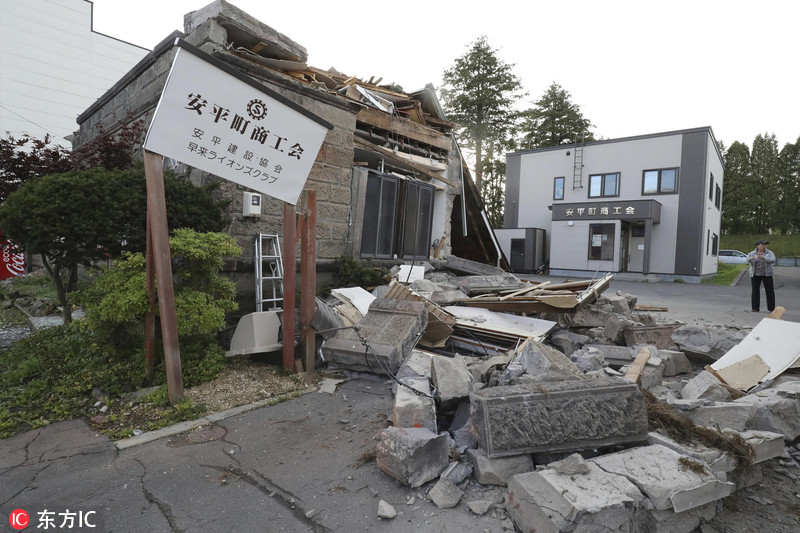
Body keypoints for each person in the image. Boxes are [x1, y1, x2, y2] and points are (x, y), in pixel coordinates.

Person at [747, 239, 776, 312]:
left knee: (770, 291)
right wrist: (751, 259)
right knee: (755, 291)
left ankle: (771, 308)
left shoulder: (769, 253)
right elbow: (745, 261)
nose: (764, 246)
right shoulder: (752, 253)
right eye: (762, 244)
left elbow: (773, 260)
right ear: (757, 246)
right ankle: (755, 307)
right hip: (755, 274)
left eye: (765, 244)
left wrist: (764, 257)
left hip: (767, 274)